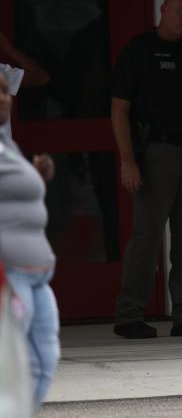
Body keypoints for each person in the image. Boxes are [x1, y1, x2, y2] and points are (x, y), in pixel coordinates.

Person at [111, 0, 182, 339]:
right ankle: (129, 315)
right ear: (164, 9)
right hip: (153, 153)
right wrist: (128, 160)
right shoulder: (138, 50)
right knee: (147, 237)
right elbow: (119, 108)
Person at [0, 72, 60, 411]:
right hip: (10, 274)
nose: (5, 98)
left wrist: (35, 174)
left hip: (37, 272)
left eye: (6, 92)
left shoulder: (7, 143)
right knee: (10, 361)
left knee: (43, 359)